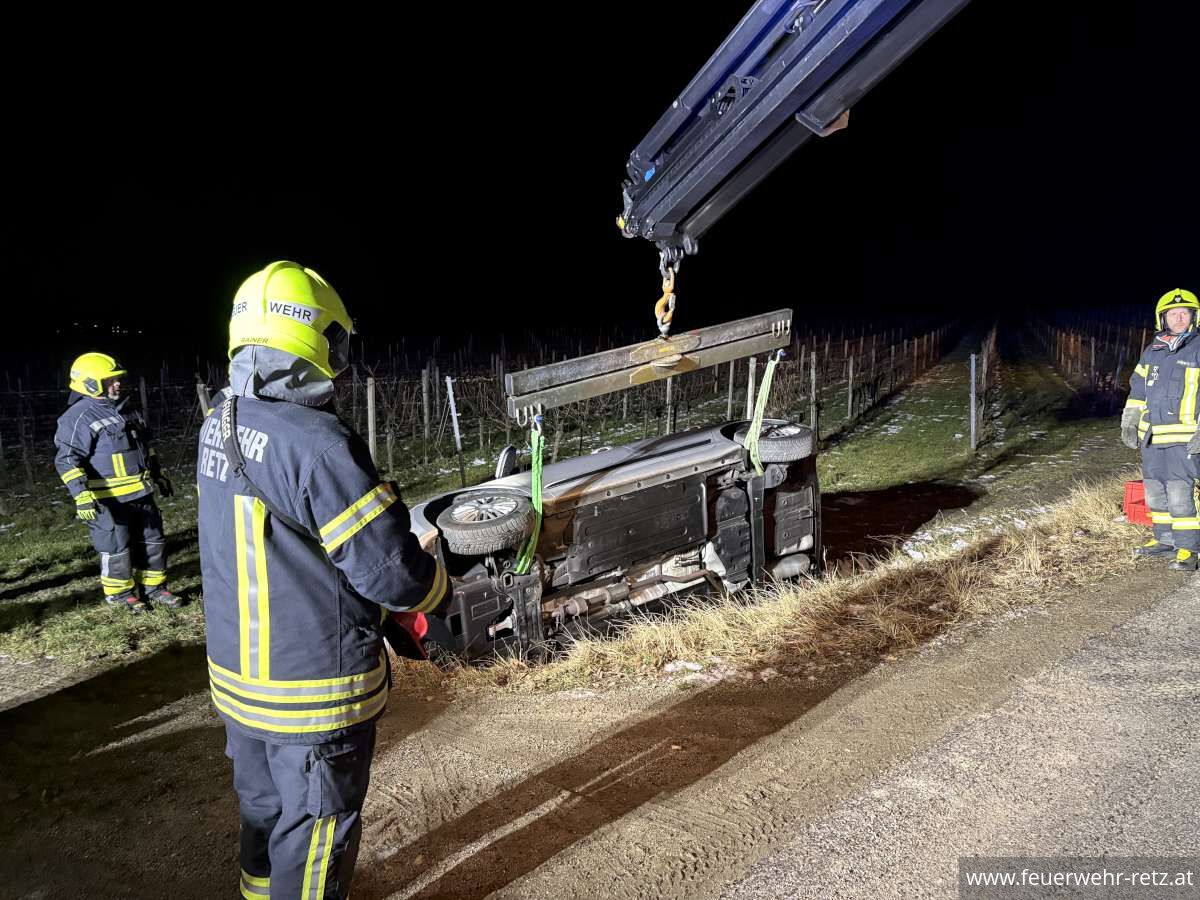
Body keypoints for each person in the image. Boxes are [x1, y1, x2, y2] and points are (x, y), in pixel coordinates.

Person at [197, 261, 448, 899]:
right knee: (314, 832)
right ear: (311, 339)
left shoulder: (217, 425)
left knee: (266, 816)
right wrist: (437, 588)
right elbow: (388, 571)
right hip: (312, 693)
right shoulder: (319, 445)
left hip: (239, 684)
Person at [53, 352, 180, 611]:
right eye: (110, 380)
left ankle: (154, 589)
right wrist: (81, 495)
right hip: (108, 501)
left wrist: (158, 475)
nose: (117, 384)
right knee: (116, 548)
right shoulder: (78, 417)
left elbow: (145, 448)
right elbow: (66, 459)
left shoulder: (126, 409)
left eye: (117, 378)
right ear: (90, 383)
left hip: (142, 494)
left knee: (153, 542)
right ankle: (121, 596)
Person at [1122, 288, 1200, 571]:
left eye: (1185, 313)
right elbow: (1138, 389)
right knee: (1155, 492)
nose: (1179, 318)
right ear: (1162, 319)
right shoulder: (1152, 350)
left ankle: (1188, 549)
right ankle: (1165, 540)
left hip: (1184, 439)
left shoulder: (1198, 347)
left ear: (1193, 317)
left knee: (1181, 494)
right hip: (1152, 438)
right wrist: (1129, 421)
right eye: (1173, 314)